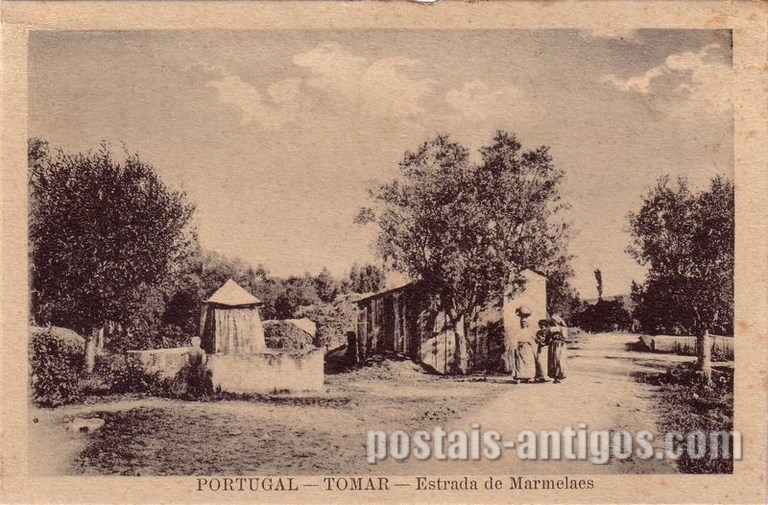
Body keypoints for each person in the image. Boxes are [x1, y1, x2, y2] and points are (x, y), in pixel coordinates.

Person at [512, 306, 536, 384]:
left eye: (524, 322)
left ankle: (528, 376)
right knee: (520, 362)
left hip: (527, 348)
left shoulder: (528, 331)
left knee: (528, 361)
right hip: (520, 347)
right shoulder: (519, 331)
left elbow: (532, 339)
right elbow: (516, 339)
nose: (522, 324)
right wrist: (516, 346)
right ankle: (519, 376)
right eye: (522, 322)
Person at [547, 314, 568, 383]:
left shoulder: (563, 328)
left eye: (555, 320)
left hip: (560, 345)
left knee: (560, 360)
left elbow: (565, 338)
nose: (554, 322)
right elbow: (548, 337)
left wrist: (559, 336)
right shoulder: (550, 328)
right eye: (552, 320)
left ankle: (560, 375)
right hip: (553, 345)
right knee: (553, 360)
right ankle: (555, 377)